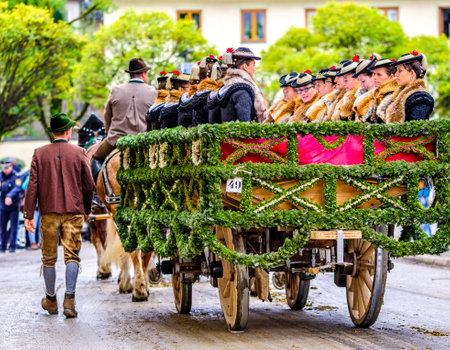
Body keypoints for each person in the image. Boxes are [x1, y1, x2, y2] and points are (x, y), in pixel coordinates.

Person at [24, 113, 95, 318]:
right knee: (72, 255)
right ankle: (69, 301)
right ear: (67, 131)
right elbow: (89, 186)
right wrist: (87, 209)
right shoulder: (80, 152)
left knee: (48, 258)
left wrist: (29, 214)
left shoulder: (39, 153)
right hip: (73, 211)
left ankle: (51, 300)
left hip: (48, 212)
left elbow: (32, 186)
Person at [92, 58, 157, 164]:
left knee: (95, 159)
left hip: (116, 140)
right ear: (144, 74)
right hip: (145, 141)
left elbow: (107, 116)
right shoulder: (153, 92)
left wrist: (109, 132)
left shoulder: (115, 90)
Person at [218, 47, 268, 123]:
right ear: (245, 67)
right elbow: (244, 128)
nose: (255, 69)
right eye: (253, 65)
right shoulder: (242, 91)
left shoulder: (227, 87)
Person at [385, 51, 434, 123]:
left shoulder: (420, 98)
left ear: (412, 73)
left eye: (400, 70)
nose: (396, 74)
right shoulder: (398, 95)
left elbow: (416, 129)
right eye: (396, 70)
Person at [0, 158, 22, 253]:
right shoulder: (0, 176)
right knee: (2, 227)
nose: (5, 169)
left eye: (7, 168)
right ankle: (3, 246)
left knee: (13, 227)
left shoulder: (16, 176)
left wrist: (9, 196)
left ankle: (12, 246)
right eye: (4, 168)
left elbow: (17, 188)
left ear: (11, 167)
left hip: (13, 206)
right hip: (2, 206)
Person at [367, 58, 398, 123]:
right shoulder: (378, 93)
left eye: (379, 74)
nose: (375, 77)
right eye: (374, 74)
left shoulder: (392, 95)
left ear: (391, 77)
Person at [352, 54, 380, 122]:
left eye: (363, 81)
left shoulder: (379, 96)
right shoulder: (360, 96)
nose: (361, 85)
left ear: (373, 75)